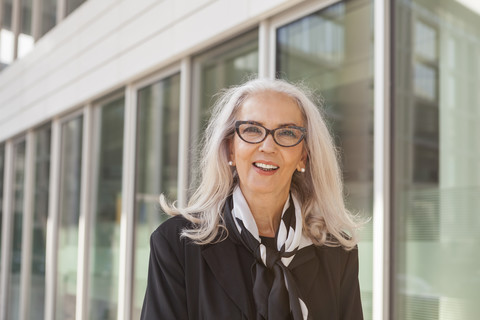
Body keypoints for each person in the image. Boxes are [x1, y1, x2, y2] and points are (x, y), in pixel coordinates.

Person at [140, 78, 364, 320]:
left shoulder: (337, 252)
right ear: (230, 149)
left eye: (287, 132)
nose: (268, 146)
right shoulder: (176, 244)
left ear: (303, 156)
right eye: (252, 130)